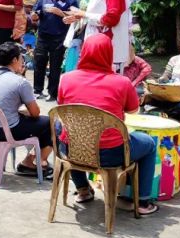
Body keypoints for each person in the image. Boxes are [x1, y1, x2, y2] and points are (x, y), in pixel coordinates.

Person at [57, 34, 159, 215]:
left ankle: (83, 189)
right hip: (111, 155)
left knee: (65, 133)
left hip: (73, 152)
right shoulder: (122, 82)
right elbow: (133, 111)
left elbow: (62, 108)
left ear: (84, 52)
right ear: (109, 54)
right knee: (149, 143)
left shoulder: (66, 78)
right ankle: (142, 201)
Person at [0, 42, 55, 177]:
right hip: (5, 130)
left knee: (38, 124)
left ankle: (32, 160)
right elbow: (35, 112)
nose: (23, 61)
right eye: (21, 58)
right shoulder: (20, 82)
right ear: (15, 60)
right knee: (51, 123)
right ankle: (33, 161)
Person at [63, 0, 136, 69]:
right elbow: (99, 13)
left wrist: (84, 14)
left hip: (108, 47)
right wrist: (80, 16)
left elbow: (111, 19)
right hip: (100, 45)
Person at [30, 0, 78, 100]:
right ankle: (37, 90)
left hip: (59, 37)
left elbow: (75, 18)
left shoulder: (70, 0)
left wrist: (60, 13)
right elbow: (36, 12)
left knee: (55, 66)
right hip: (43, 35)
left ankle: (53, 93)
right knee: (39, 62)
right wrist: (34, 16)